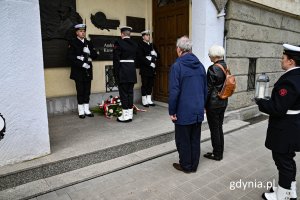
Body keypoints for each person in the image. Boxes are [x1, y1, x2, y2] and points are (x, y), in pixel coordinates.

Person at [255, 44, 300, 200]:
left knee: (283, 162)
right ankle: (289, 190)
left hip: (285, 129)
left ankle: (284, 196)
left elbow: (278, 108)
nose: (281, 60)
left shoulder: (290, 80)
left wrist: (260, 101)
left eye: (283, 58)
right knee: (288, 160)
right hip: (292, 125)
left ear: (291, 61)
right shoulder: (297, 75)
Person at [168, 36, 207, 173]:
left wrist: (172, 111)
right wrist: (203, 106)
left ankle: (186, 166)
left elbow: (174, 91)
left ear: (179, 50)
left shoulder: (177, 66)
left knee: (183, 140)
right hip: (197, 110)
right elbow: (205, 89)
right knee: (195, 139)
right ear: (190, 49)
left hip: (183, 110)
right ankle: (193, 165)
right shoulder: (201, 65)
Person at [203, 45, 228, 161]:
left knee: (214, 129)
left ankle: (217, 154)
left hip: (213, 104)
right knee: (219, 127)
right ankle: (219, 152)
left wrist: (203, 104)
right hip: (223, 101)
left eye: (210, 54)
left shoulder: (212, 69)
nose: (209, 56)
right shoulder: (225, 66)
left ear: (215, 56)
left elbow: (208, 89)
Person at [68, 24, 98, 119]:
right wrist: (81, 63)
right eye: (81, 31)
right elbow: (70, 57)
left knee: (87, 91)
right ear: (77, 32)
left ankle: (86, 109)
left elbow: (95, 55)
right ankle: (81, 110)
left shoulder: (89, 43)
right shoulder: (73, 42)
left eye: (84, 31)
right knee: (80, 90)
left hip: (88, 70)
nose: (83, 33)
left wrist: (89, 52)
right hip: (78, 71)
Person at [113, 26, 138, 122]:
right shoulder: (135, 44)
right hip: (131, 71)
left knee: (123, 93)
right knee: (130, 93)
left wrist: (116, 73)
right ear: (129, 34)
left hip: (122, 71)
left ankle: (125, 115)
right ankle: (130, 114)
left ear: (122, 34)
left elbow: (116, 60)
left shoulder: (118, 43)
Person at [136, 30, 160, 107]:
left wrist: (155, 54)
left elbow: (158, 55)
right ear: (143, 37)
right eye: (146, 35)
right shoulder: (140, 45)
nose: (148, 36)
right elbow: (140, 57)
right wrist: (150, 63)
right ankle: (144, 100)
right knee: (145, 84)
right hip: (145, 68)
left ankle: (149, 99)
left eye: (149, 35)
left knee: (150, 84)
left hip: (152, 69)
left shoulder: (152, 45)